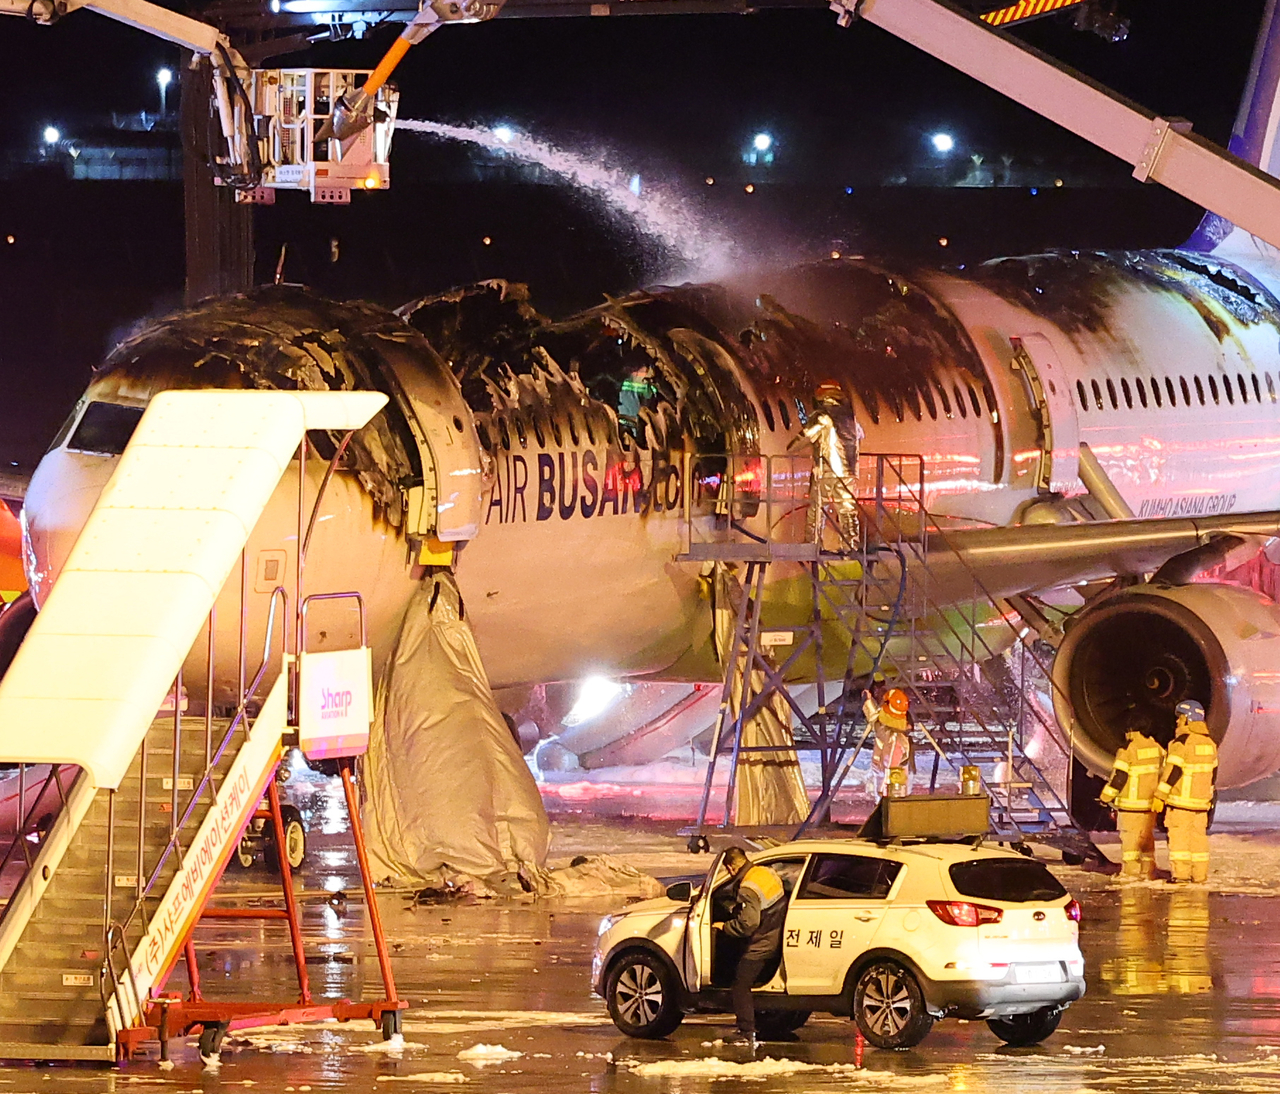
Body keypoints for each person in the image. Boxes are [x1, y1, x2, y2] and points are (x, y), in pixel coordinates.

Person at [713, 846, 787, 1045]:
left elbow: (748, 924)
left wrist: (725, 927)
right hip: (777, 933)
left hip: (762, 942)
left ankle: (746, 1031)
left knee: (740, 985)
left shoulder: (748, 887)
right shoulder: (764, 872)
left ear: (730, 868)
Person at [1152, 700, 1218, 884]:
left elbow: (1173, 772)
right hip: (1201, 804)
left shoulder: (1181, 743)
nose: (1177, 723)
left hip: (1181, 802)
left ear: (1187, 720)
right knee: (1198, 841)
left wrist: (1160, 796)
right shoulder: (1210, 744)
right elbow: (1213, 775)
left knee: (1179, 840)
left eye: (1179, 718)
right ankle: (1199, 875)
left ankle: (1180, 875)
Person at [796, 380, 863, 550]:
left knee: (817, 507)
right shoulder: (850, 417)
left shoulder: (822, 416)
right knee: (847, 508)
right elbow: (860, 435)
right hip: (848, 470)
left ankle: (813, 543)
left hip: (827, 470)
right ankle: (851, 544)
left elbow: (803, 438)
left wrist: (790, 448)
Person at [1099, 716, 1165, 880]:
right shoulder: (1157, 749)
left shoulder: (1128, 751)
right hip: (1149, 805)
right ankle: (1148, 871)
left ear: (1132, 731)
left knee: (1130, 842)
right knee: (1146, 840)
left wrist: (1105, 797)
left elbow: (1119, 778)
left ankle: (1131, 872)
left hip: (1131, 806)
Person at [862, 687, 912, 797]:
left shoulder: (895, 739)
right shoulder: (885, 728)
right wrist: (869, 701)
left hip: (891, 783)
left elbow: (892, 765)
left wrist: (883, 789)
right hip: (882, 772)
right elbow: (875, 719)